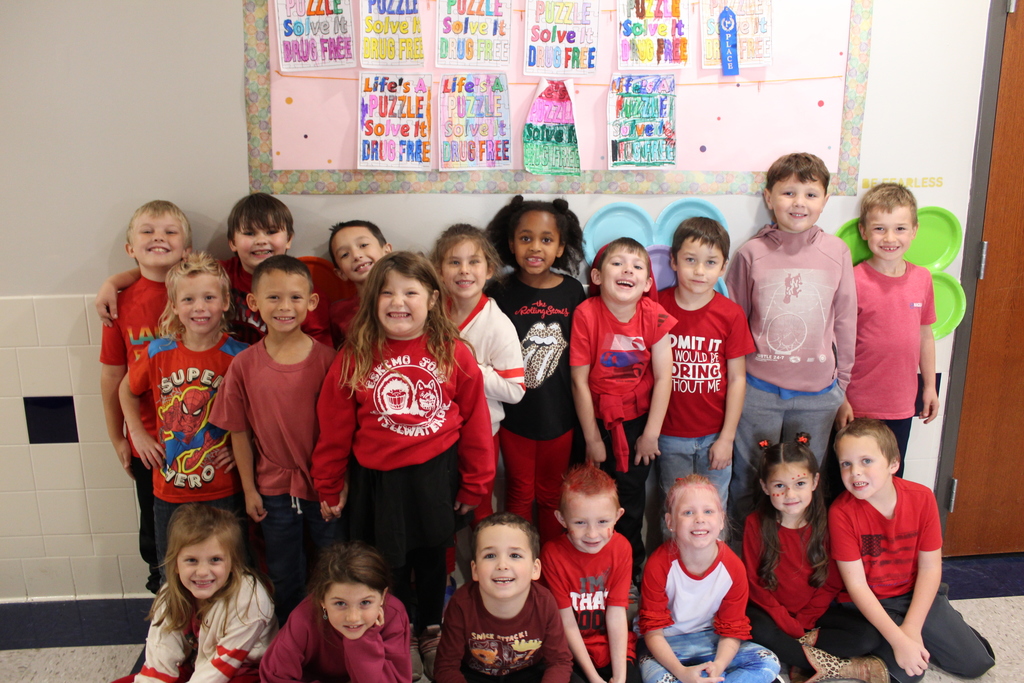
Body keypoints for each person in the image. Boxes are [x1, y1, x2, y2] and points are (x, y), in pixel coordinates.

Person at [311, 251, 494, 679]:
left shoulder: (453, 353)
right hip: (378, 484)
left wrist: (476, 484)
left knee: (434, 558)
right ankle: (396, 629)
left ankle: (430, 627)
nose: (399, 301)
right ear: (372, 301)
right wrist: (328, 483)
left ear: (431, 299)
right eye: (388, 292)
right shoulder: (354, 356)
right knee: (385, 563)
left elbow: (476, 424)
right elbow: (334, 429)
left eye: (410, 292)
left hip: (436, 476)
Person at [724, 152, 857, 536]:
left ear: (826, 200)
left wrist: (842, 387)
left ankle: (800, 562)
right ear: (769, 197)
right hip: (758, 392)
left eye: (811, 194)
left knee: (805, 485)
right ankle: (743, 561)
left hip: (818, 396)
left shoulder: (837, 253)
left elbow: (847, 320)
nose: (799, 202)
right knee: (751, 479)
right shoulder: (751, 253)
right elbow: (735, 325)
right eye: (788, 192)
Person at [209, 255, 338, 622]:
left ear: (311, 303)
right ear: (253, 303)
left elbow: (343, 433)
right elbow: (238, 432)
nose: (285, 307)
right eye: (274, 298)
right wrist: (250, 489)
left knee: (332, 566)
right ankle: (290, 636)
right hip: (273, 491)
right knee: (283, 571)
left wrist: (338, 486)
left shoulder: (330, 362)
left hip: (324, 489)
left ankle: (331, 635)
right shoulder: (244, 366)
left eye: (296, 298)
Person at [830, 419, 994, 683]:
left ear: (894, 464)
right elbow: (857, 586)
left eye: (866, 461)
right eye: (846, 464)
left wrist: (913, 628)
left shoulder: (922, 498)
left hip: (913, 594)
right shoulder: (841, 513)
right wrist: (899, 639)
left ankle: (939, 628)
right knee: (909, 675)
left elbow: (930, 568)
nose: (855, 472)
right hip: (871, 603)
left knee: (975, 664)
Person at [120, 253, 247, 572]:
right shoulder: (159, 351)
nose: (200, 307)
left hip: (224, 486)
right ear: (174, 305)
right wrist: (136, 433)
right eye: (188, 299)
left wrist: (244, 450)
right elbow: (126, 389)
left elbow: (258, 415)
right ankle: (177, 622)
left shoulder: (240, 357)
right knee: (172, 570)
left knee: (227, 569)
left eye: (208, 297)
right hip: (169, 488)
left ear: (225, 302)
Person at [100, 200, 192, 593]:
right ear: (130, 248)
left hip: (201, 439)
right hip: (148, 441)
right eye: (148, 231)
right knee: (155, 531)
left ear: (187, 249)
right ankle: (164, 602)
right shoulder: (120, 303)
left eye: (171, 232)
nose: (159, 238)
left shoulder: (200, 291)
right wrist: (119, 436)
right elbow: (111, 375)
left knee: (213, 527)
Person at [95, 193, 332, 346]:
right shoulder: (218, 274)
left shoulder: (301, 285)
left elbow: (321, 345)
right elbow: (171, 269)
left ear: (289, 239)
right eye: (249, 233)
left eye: (271, 232)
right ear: (232, 243)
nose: (261, 241)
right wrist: (114, 283)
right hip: (220, 376)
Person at [570, 238, 675, 583]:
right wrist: (592, 440)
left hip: (636, 425)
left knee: (629, 505)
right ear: (598, 276)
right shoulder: (586, 314)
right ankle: (588, 572)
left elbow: (664, 378)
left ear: (647, 284)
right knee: (589, 502)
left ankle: (628, 575)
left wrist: (650, 435)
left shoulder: (654, 316)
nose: (627, 269)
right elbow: (579, 381)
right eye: (618, 263)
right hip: (595, 422)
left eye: (637, 265)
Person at [485, 195, 587, 546]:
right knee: (517, 493)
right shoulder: (498, 291)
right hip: (514, 416)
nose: (535, 247)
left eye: (546, 240)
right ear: (510, 243)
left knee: (550, 496)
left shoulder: (574, 292)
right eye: (526, 238)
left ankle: (550, 567)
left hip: (560, 416)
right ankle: (516, 561)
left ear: (561, 247)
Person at [744, 435, 886, 683]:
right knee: (754, 629)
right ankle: (837, 667)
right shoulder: (755, 524)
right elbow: (754, 585)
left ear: (814, 481)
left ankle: (794, 654)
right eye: (779, 486)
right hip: (770, 614)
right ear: (765, 487)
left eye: (800, 483)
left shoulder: (828, 523)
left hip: (813, 616)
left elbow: (832, 581)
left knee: (868, 636)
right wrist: (788, 624)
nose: (790, 494)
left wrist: (804, 622)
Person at [835, 183, 938, 477]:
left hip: (901, 406)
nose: (890, 238)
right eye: (880, 228)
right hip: (856, 406)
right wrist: (840, 399)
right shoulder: (853, 280)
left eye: (900, 229)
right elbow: (836, 345)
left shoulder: (922, 278)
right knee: (849, 483)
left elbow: (924, 335)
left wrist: (929, 387)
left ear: (915, 230)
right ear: (864, 230)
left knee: (889, 482)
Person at [637, 475, 779, 683]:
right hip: (667, 644)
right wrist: (682, 673)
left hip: (711, 641)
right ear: (670, 522)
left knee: (769, 662)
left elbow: (732, 627)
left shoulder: (732, 567)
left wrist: (719, 666)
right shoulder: (658, 565)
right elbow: (652, 631)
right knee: (659, 680)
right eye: (688, 512)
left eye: (708, 511)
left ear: (721, 519)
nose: (699, 519)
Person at [114, 503, 276, 683]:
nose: (202, 572)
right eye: (191, 560)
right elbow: (160, 654)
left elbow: (221, 667)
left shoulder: (249, 601)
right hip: (196, 664)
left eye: (215, 560)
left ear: (233, 563)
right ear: (175, 564)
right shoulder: (170, 595)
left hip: (243, 669)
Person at [657, 217, 754, 516]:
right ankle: (674, 564)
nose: (700, 271)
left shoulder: (731, 314)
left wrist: (726, 438)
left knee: (713, 513)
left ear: (723, 267)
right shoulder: (657, 308)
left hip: (716, 437)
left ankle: (715, 564)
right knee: (675, 513)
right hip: (670, 436)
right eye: (690, 260)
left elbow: (737, 379)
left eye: (710, 262)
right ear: (673, 261)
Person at [432, 223, 526, 521]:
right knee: (438, 509)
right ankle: (445, 568)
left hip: (482, 434)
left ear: (489, 270)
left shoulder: (497, 324)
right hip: (434, 431)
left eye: (474, 261)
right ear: (439, 270)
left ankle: (480, 566)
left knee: (476, 510)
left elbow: (515, 391)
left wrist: (469, 369)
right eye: (454, 262)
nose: (464, 271)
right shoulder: (431, 313)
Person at [434, 512, 577, 683]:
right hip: (476, 676)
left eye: (515, 555)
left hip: (529, 674)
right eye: (490, 556)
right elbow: (446, 667)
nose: (502, 565)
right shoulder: (461, 603)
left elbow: (559, 662)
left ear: (535, 568)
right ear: (475, 570)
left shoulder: (544, 601)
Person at [260, 541, 412, 683]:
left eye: (365, 602)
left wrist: (363, 641)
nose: (353, 618)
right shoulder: (304, 618)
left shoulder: (394, 614)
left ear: (383, 597)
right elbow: (274, 676)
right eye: (340, 603)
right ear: (322, 601)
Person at [541, 465, 640, 683]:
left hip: (611, 647)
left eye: (602, 521)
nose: (592, 534)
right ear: (561, 519)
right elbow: (566, 623)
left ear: (617, 516)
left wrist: (620, 677)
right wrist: (594, 679)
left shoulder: (621, 548)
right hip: (570, 651)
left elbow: (616, 614)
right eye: (580, 523)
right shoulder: (553, 554)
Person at [327, 219, 393, 347]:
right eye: (345, 254)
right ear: (340, 273)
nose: (356, 255)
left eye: (363, 245)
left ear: (387, 251)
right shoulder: (338, 313)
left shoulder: (414, 298)